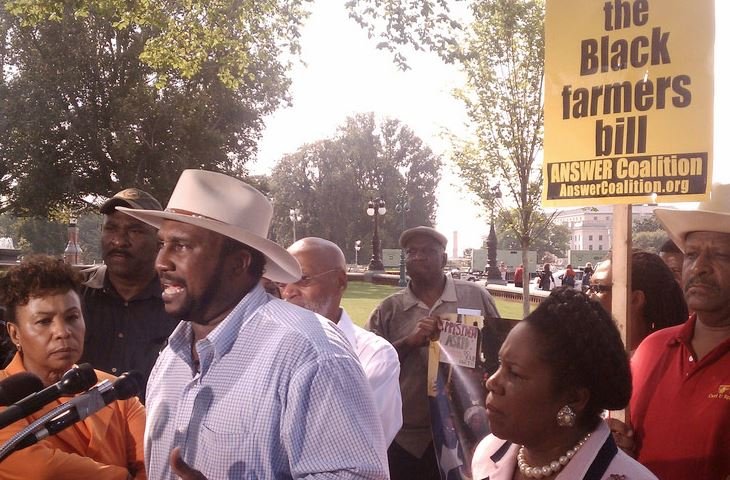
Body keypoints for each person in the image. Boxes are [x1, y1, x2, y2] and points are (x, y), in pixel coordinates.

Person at [118, 170, 388, 480]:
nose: (161, 262)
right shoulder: (172, 357)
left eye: (181, 246)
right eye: (162, 244)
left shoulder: (310, 352)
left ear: (239, 263)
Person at [608, 183, 730, 479]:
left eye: (721, 255)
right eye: (691, 254)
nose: (699, 268)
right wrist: (619, 450)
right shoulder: (652, 348)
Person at [472, 287, 657, 480]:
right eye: (500, 364)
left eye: (514, 373)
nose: (492, 383)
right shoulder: (488, 454)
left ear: (574, 399)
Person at [367, 225, 500, 480]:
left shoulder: (474, 296)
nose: (418, 256)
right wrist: (409, 342)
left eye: (428, 251)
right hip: (407, 438)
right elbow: (368, 369)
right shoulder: (389, 309)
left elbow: (499, 350)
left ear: (444, 258)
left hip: (466, 431)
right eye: (412, 251)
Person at [0, 255, 146, 480]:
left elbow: (155, 460)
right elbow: (41, 470)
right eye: (44, 321)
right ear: (14, 333)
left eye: (72, 317)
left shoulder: (117, 390)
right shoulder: (4, 395)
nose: (63, 332)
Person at [281, 237, 403, 445]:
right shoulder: (269, 346)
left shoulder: (374, 356)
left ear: (340, 281)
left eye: (303, 279)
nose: (288, 292)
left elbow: (358, 442)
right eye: (282, 283)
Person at [81, 188, 178, 402]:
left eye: (135, 231)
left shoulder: (180, 303)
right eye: (111, 228)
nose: (119, 241)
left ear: (160, 240)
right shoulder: (72, 294)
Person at [588, 250, 687, 351]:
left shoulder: (665, 356)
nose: (588, 295)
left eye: (598, 288)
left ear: (635, 299)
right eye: (589, 286)